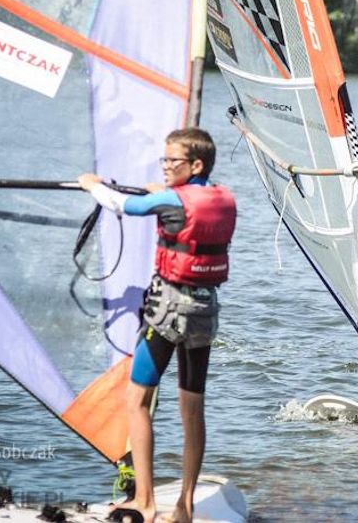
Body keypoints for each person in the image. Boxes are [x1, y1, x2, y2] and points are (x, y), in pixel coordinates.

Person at [78, 128, 236, 523]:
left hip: (167, 310)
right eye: (163, 161)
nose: (166, 167)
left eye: (173, 161)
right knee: (192, 410)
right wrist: (162, 192)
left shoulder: (170, 199)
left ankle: (145, 502)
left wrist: (92, 185)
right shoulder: (219, 196)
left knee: (137, 401)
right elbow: (181, 204)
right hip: (205, 310)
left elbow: (120, 205)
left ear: (195, 164)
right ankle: (184, 507)